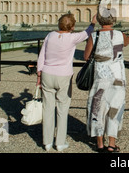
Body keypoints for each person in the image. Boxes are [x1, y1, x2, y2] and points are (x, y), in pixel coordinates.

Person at [36, 13, 97, 152]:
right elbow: (88, 32)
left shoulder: (50, 35)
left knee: (48, 108)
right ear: (73, 26)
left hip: (47, 73)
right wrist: (93, 23)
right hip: (63, 75)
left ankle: (47, 142)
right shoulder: (72, 37)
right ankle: (60, 143)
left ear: (59, 24)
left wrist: (39, 74)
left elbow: (41, 56)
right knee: (62, 110)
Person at [85, 8, 129, 153]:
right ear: (113, 20)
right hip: (118, 77)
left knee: (97, 109)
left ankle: (100, 144)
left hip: (101, 76)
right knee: (115, 108)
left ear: (99, 20)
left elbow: (86, 56)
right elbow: (126, 42)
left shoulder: (95, 36)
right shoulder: (120, 34)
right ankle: (112, 144)